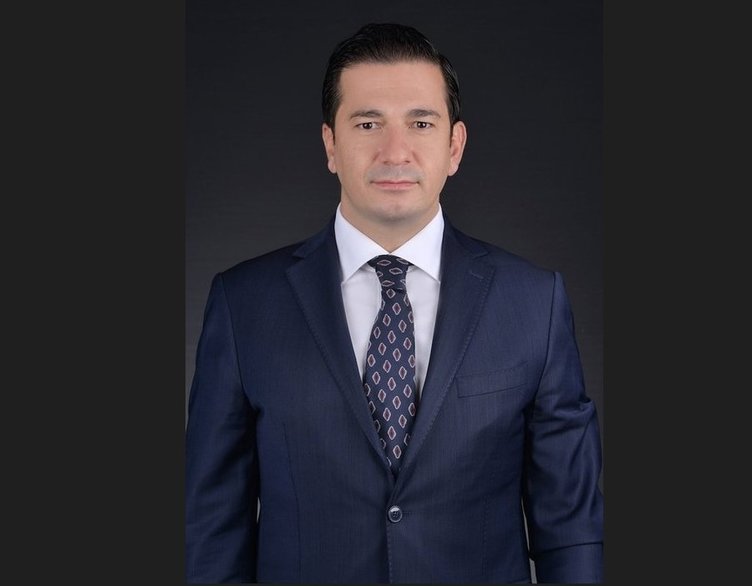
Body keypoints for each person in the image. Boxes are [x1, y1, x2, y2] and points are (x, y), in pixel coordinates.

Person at [185, 22, 604, 584]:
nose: (395, 151)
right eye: (368, 123)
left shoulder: (533, 303)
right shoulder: (243, 305)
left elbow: (571, 528)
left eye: (420, 123)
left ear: (454, 146)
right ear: (331, 144)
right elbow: (211, 529)